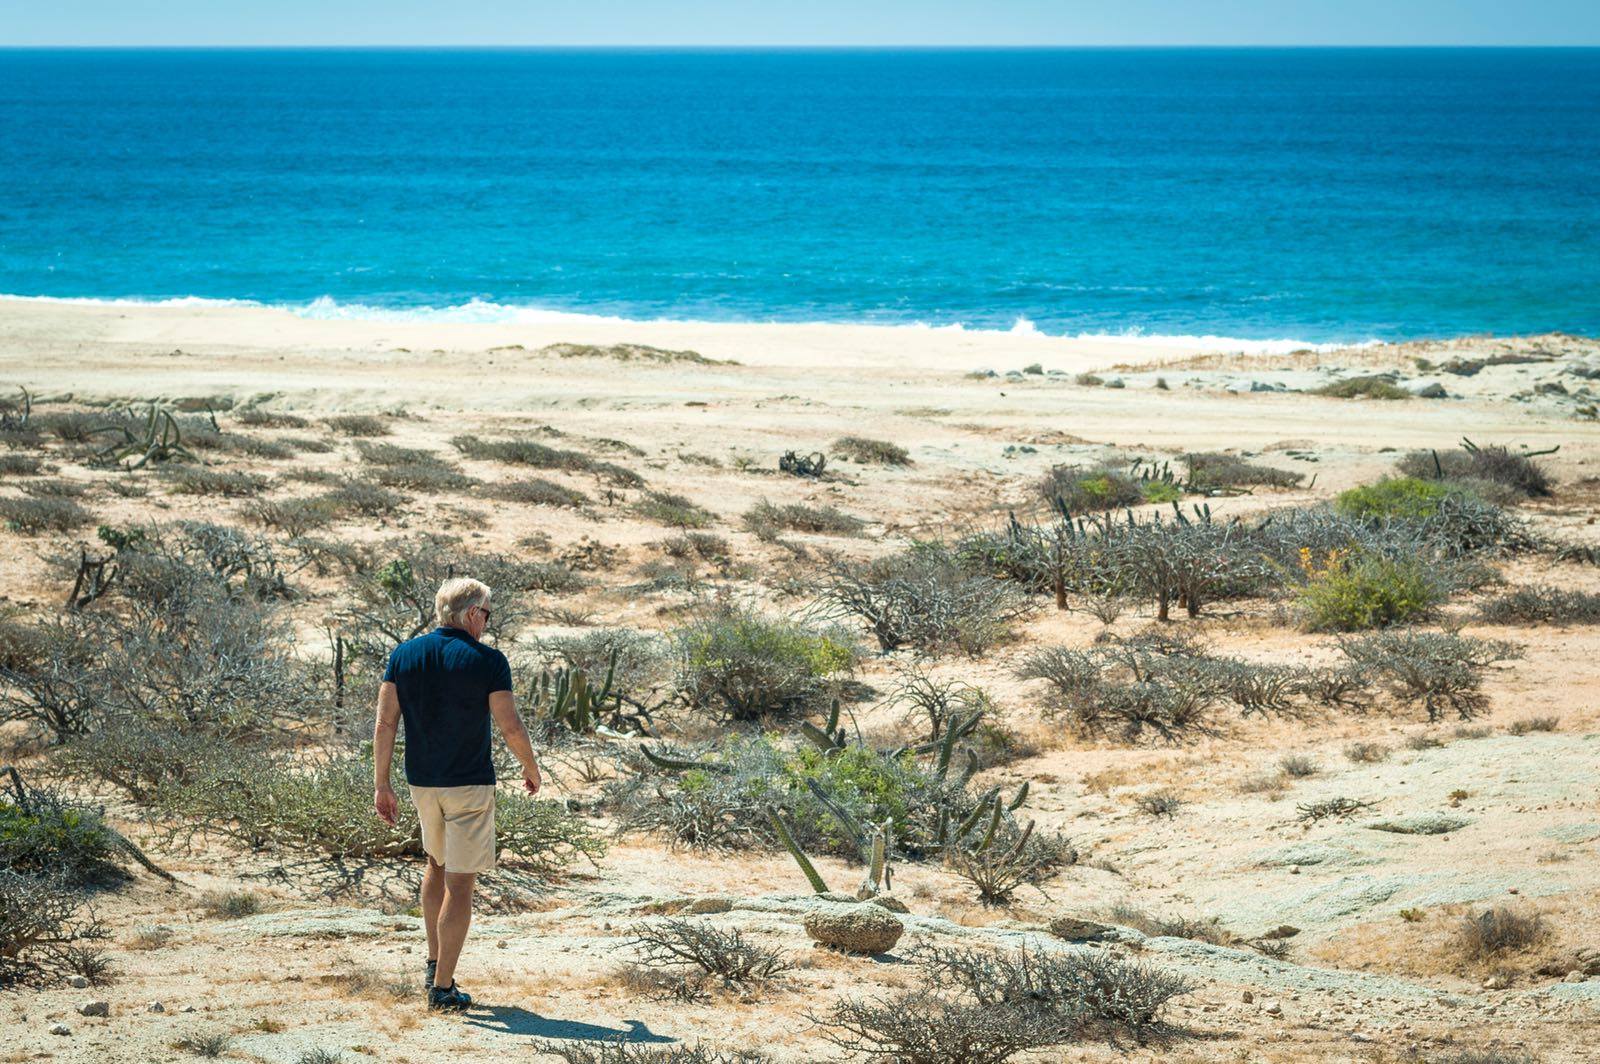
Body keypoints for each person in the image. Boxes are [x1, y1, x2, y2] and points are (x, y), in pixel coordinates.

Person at [372, 576, 541, 1011]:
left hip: (421, 783)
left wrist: (381, 783)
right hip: (468, 784)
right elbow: (509, 725)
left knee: (436, 865)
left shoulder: (403, 655)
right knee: (461, 883)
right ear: (470, 614)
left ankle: (433, 963)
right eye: (486, 614)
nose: (486, 622)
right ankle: (443, 988)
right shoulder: (488, 661)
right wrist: (530, 766)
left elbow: (385, 723)